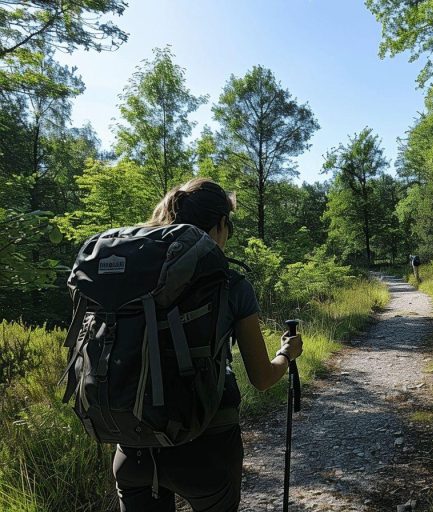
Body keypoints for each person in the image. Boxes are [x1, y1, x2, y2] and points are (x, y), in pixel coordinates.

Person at [112, 178, 303, 512]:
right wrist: (286, 355)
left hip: (132, 447)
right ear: (219, 225)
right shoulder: (229, 282)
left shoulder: (132, 277)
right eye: (228, 227)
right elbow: (261, 377)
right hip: (206, 449)